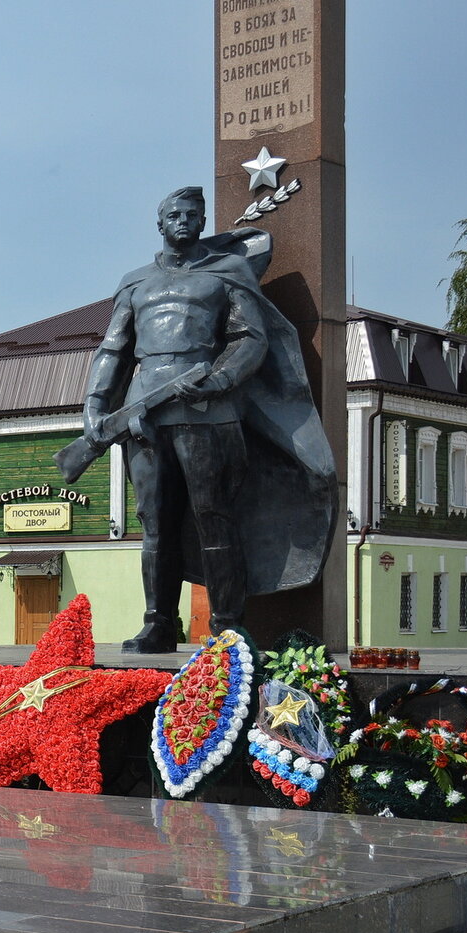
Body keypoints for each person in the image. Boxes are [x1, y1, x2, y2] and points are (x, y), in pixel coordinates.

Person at [81, 186, 335, 652]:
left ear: (202, 222)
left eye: (193, 214)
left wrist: (218, 381)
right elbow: (113, 350)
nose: (184, 220)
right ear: (160, 224)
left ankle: (227, 624)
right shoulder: (135, 282)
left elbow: (249, 339)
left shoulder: (228, 272)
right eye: (174, 214)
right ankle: (158, 622)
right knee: (154, 522)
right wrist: (95, 406)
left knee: (215, 516)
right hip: (145, 416)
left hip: (208, 411)